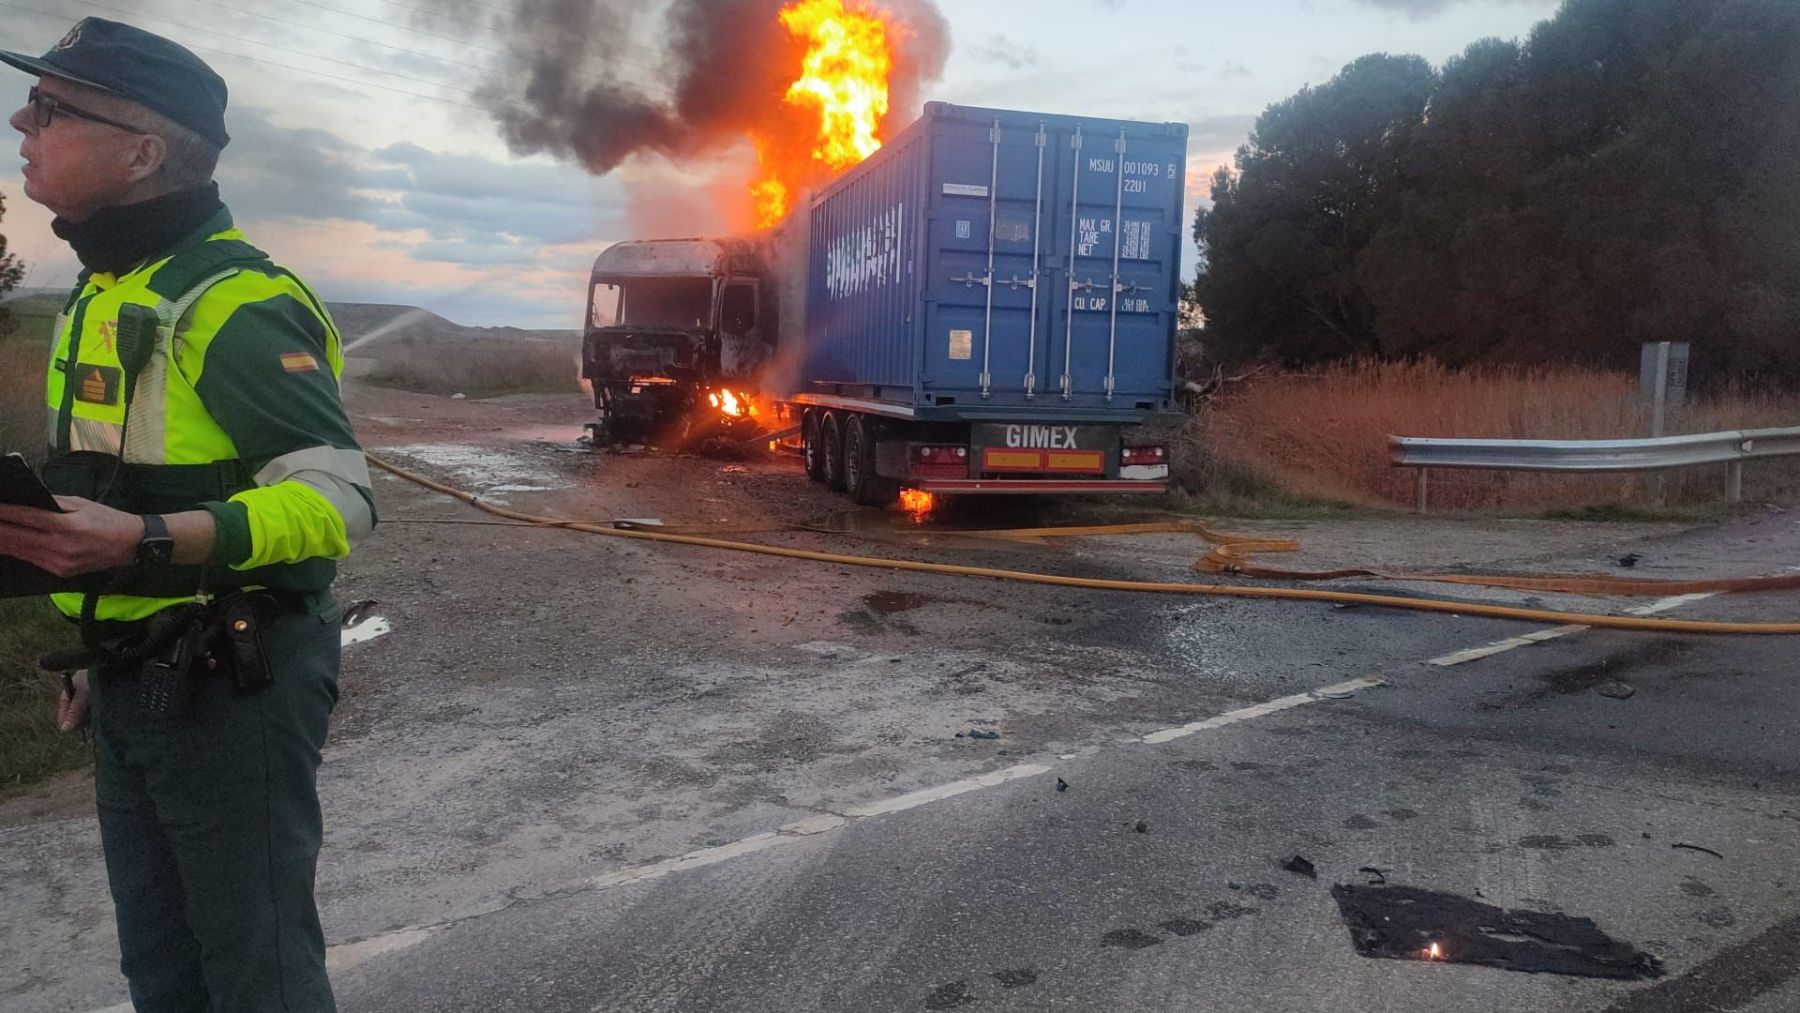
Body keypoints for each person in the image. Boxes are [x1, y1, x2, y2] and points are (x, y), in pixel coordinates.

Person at [0, 18, 373, 1012]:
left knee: (258, 975)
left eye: (51, 108)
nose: (20, 121)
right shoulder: (103, 289)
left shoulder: (235, 302)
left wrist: (146, 543)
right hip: (129, 680)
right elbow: (115, 486)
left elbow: (338, 495)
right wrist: (96, 641)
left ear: (145, 151)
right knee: (163, 975)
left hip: (230, 682)